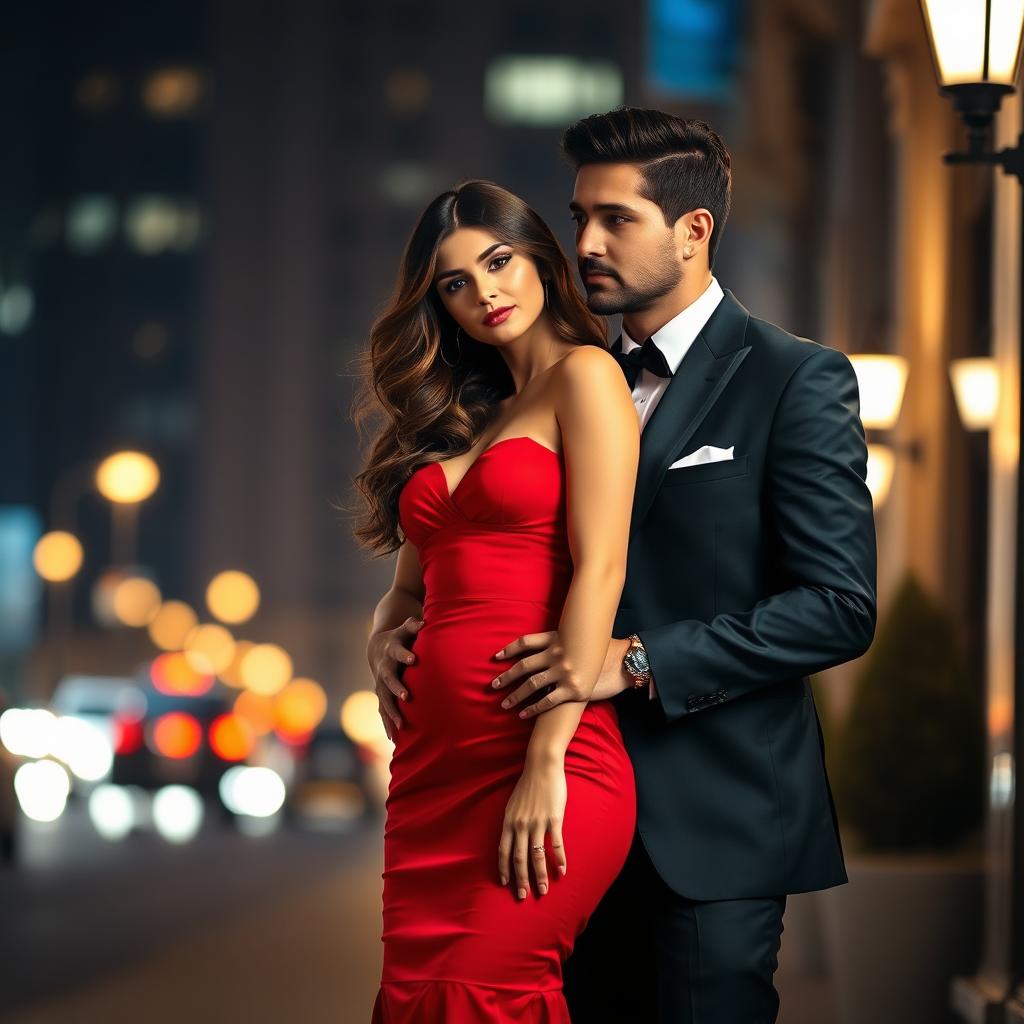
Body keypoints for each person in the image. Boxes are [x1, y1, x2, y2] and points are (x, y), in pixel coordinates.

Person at [490, 107, 878, 1022]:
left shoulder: (796, 379)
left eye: (616, 218)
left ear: (694, 229)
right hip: (564, 815)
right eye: (579, 214)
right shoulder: (564, 378)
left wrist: (634, 661)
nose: (584, 242)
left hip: (716, 820)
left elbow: (837, 606)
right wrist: (408, 624)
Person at [353, 179, 640, 1022]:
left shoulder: (587, 377)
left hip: (547, 758)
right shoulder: (463, 419)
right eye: (455, 283)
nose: (485, 294)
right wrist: (381, 639)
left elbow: (601, 571)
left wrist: (545, 760)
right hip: (430, 778)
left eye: (499, 261)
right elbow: (407, 589)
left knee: (488, 993)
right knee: (416, 998)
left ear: (541, 257)